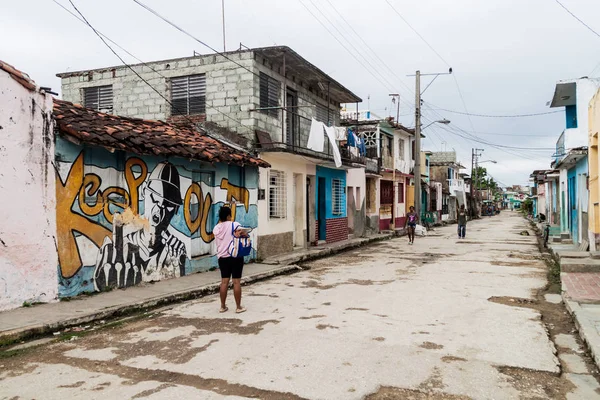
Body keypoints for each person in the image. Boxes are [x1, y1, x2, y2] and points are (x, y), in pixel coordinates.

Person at [214, 205, 248, 314]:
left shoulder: (216, 228)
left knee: (224, 282)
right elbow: (245, 235)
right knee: (236, 282)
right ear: (229, 215)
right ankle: (238, 307)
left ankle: (222, 306)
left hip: (222, 258)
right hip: (235, 256)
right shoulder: (235, 225)